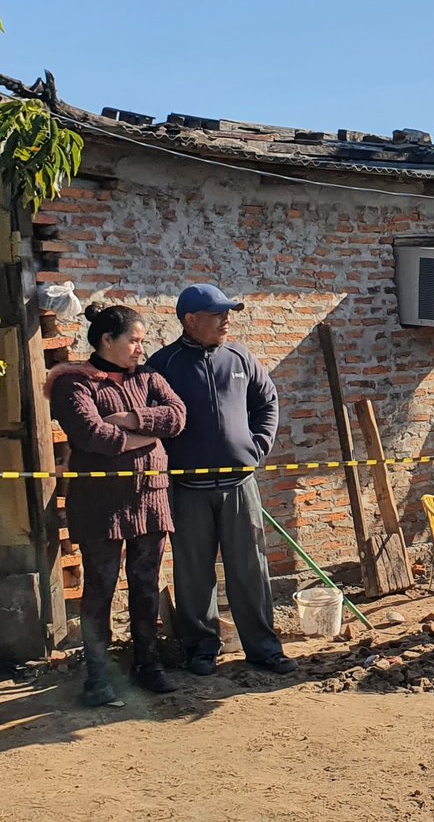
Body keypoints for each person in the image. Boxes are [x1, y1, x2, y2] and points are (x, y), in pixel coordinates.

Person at [146, 284, 296, 676]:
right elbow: (150, 420)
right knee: (193, 572)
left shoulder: (240, 357)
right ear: (190, 320)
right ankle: (201, 648)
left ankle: (263, 648)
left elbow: (267, 401)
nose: (226, 320)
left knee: (250, 568)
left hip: (238, 485)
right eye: (217, 314)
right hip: (187, 489)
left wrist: (257, 446)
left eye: (228, 312)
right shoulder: (164, 365)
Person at [48, 303, 188, 706]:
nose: (140, 349)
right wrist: (147, 435)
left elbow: (177, 417)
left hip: (150, 496)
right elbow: (91, 435)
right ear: (107, 340)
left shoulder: (148, 377)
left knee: (145, 582)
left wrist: (128, 419)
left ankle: (147, 662)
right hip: (101, 503)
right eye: (134, 341)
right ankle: (98, 675)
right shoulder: (74, 383)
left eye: (142, 341)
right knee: (101, 585)